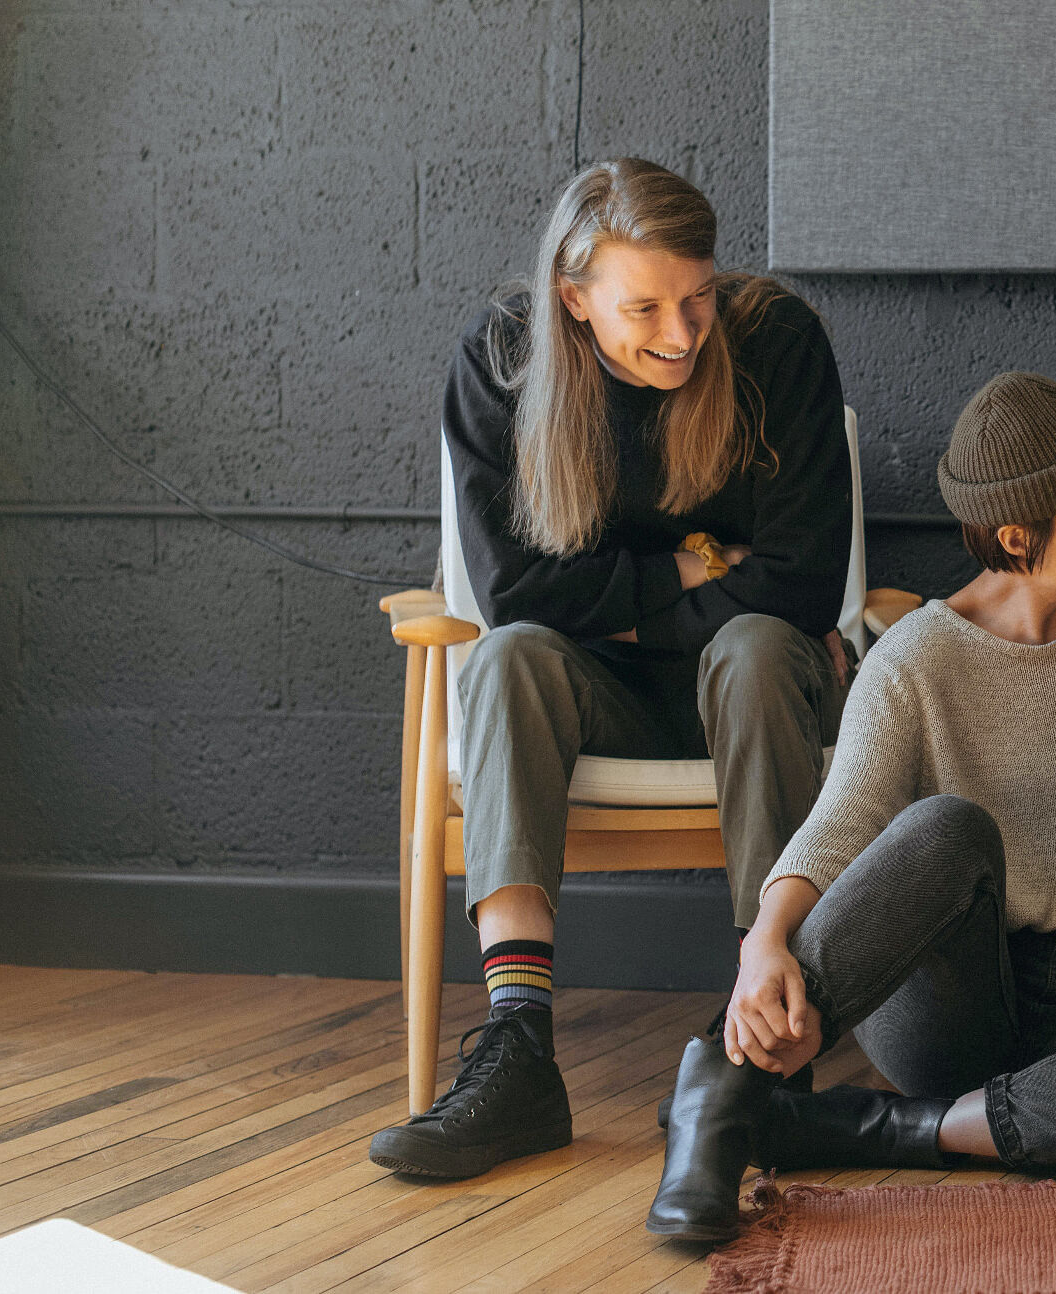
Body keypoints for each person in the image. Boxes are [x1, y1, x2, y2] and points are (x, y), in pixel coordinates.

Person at [645, 372, 1056, 1243]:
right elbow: (842, 822)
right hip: (952, 1004)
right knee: (944, 828)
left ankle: (882, 1130)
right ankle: (725, 1089)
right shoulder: (915, 658)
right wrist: (763, 944)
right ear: (1019, 536)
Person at [368, 158, 854, 1179]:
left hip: (761, 692)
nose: (684, 333)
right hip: (595, 701)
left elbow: (803, 591)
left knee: (760, 646)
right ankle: (519, 1049)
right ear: (572, 296)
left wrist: (616, 602)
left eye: (699, 296)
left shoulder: (776, 343)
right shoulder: (502, 361)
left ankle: (766, 1040)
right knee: (504, 661)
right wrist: (703, 566)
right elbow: (510, 596)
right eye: (646, 307)